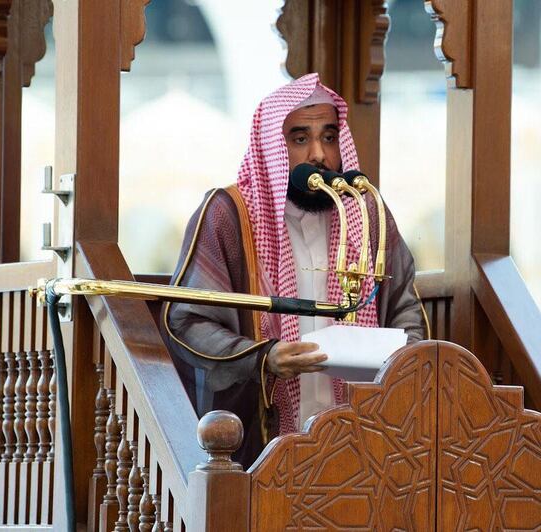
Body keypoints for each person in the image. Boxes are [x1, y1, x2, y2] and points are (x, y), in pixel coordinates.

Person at [161, 73, 427, 467]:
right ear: (272, 146)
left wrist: (397, 362)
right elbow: (188, 320)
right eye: (300, 139)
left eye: (329, 137)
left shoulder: (366, 212)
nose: (319, 154)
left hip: (359, 439)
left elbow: (405, 308)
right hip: (258, 439)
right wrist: (263, 357)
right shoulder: (229, 215)